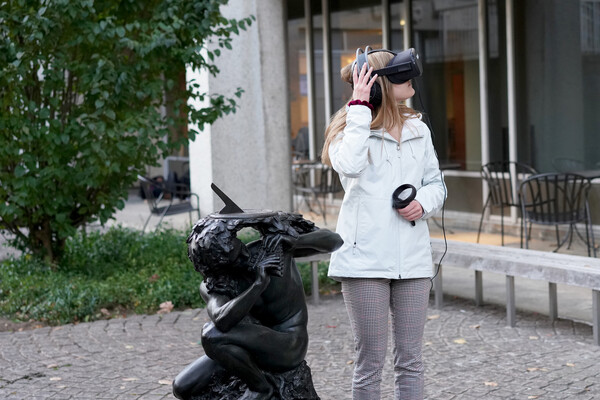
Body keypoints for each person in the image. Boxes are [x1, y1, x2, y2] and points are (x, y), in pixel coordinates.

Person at [320, 48, 446, 400]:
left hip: (413, 260)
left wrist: (423, 202)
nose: (410, 77)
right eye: (399, 72)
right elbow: (350, 167)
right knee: (370, 363)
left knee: (411, 361)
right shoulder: (351, 130)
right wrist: (359, 109)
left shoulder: (418, 129)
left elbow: (436, 184)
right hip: (364, 262)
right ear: (378, 85)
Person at [172, 212, 342, 400]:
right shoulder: (216, 284)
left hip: (289, 343)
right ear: (219, 269)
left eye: (240, 248)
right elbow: (222, 320)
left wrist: (295, 241)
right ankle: (252, 378)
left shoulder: (270, 251)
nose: (245, 257)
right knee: (183, 386)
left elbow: (335, 241)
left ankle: (260, 388)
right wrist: (258, 284)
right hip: (249, 344)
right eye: (236, 259)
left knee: (212, 335)